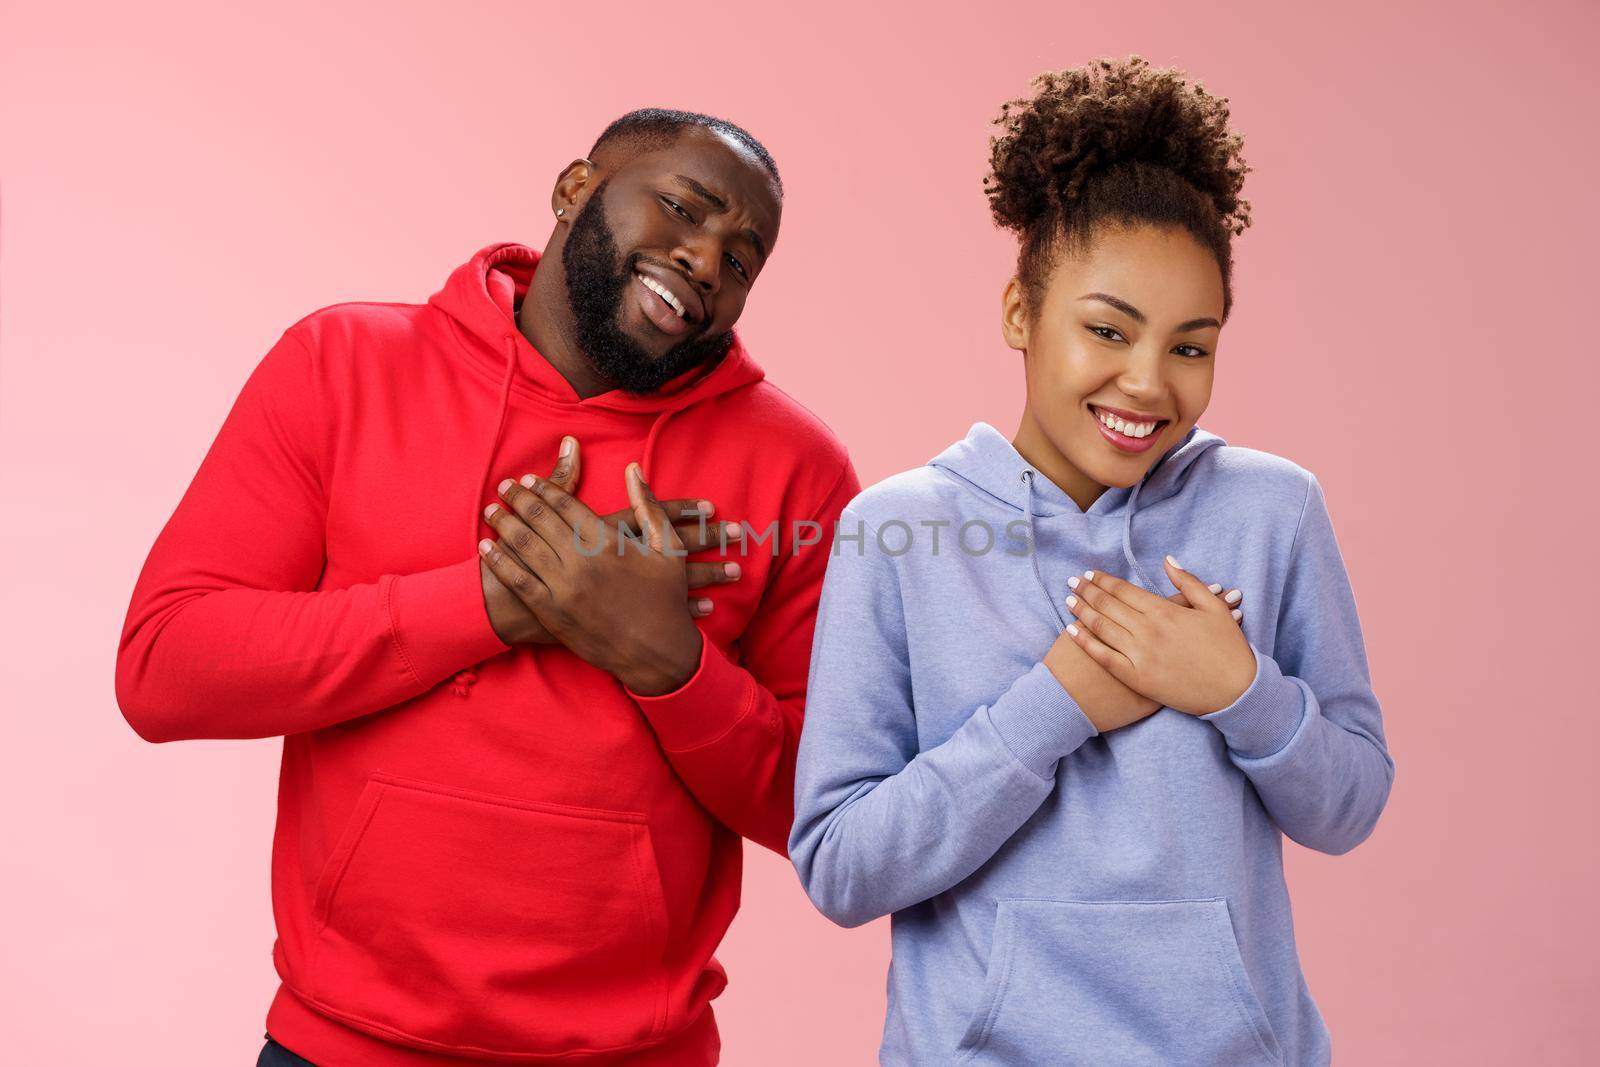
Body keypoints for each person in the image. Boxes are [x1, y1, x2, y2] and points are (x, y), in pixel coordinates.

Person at [116, 108, 859, 1066]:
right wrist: (495, 603)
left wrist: (664, 658)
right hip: (341, 1045)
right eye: (683, 208)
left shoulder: (795, 468)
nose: (709, 262)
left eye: (743, 260)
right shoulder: (343, 365)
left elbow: (824, 808)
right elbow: (165, 666)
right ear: (574, 189)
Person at [789, 57, 1394, 1066]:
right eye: (1106, 329)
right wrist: (1057, 702)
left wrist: (1236, 687)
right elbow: (842, 866)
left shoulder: (1271, 507)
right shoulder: (896, 530)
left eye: (1190, 346)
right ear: (1021, 314)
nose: (1147, 381)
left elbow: (1351, 804)